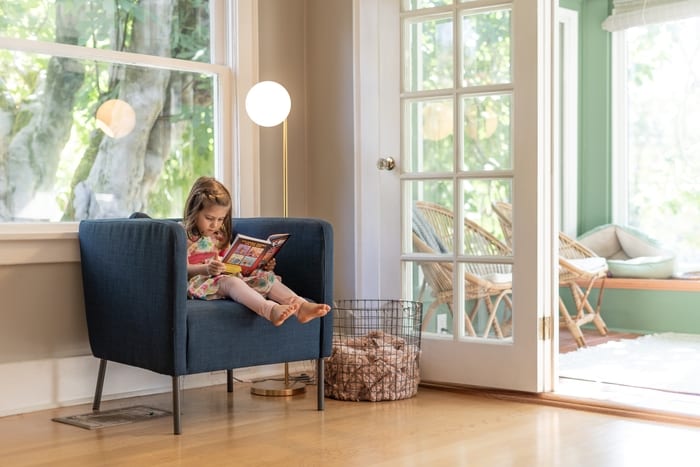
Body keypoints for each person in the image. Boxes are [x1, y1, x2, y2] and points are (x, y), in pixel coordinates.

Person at [182, 176, 330, 326]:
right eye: (209, 218)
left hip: (226, 275)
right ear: (194, 210)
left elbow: (228, 260)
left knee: (263, 275)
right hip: (201, 283)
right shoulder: (183, 235)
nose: (215, 224)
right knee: (231, 282)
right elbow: (183, 269)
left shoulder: (219, 235)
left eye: (221, 219)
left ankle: (300, 306)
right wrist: (206, 268)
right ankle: (270, 310)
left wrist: (260, 263)